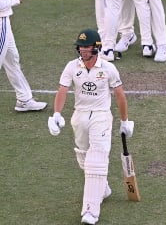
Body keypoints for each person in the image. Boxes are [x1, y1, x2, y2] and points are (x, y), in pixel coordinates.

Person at [47, 29, 134, 225]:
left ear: (96, 48)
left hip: (101, 117)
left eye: (86, 47)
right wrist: (57, 114)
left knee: (97, 160)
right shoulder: (72, 66)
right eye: (81, 46)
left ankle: (90, 211)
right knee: (83, 156)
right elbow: (62, 90)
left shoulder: (109, 69)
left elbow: (120, 95)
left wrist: (124, 121)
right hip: (80, 116)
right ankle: (102, 188)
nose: (82, 50)